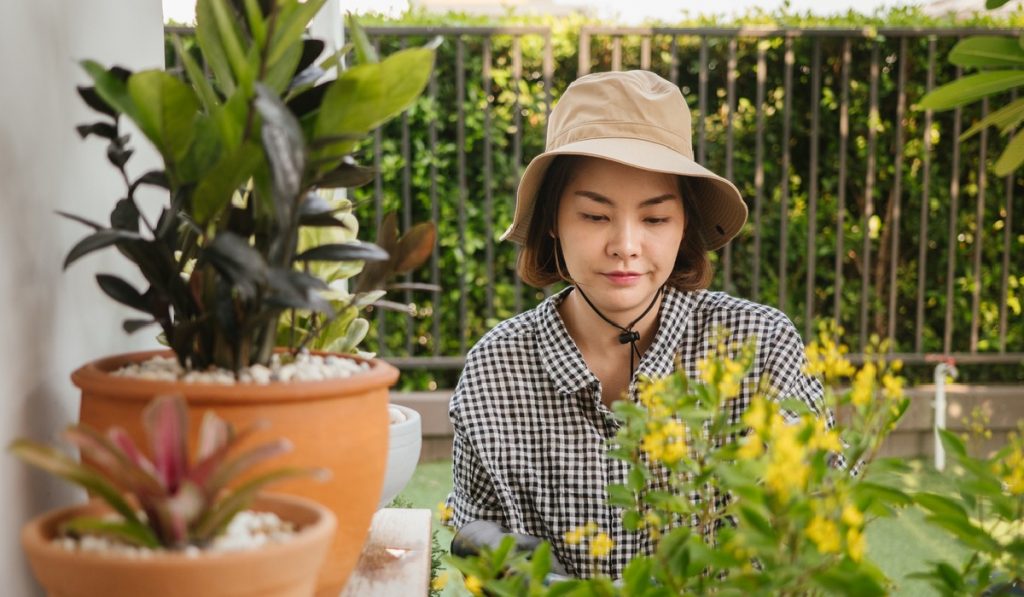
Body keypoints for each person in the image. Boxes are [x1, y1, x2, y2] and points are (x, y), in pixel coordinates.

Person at [444, 70, 834, 579]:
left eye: (654, 219)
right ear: (552, 223)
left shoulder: (759, 347)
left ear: (684, 227)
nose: (625, 245)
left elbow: (819, 514)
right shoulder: (496, 367)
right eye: (594, 216)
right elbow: (476, 535)